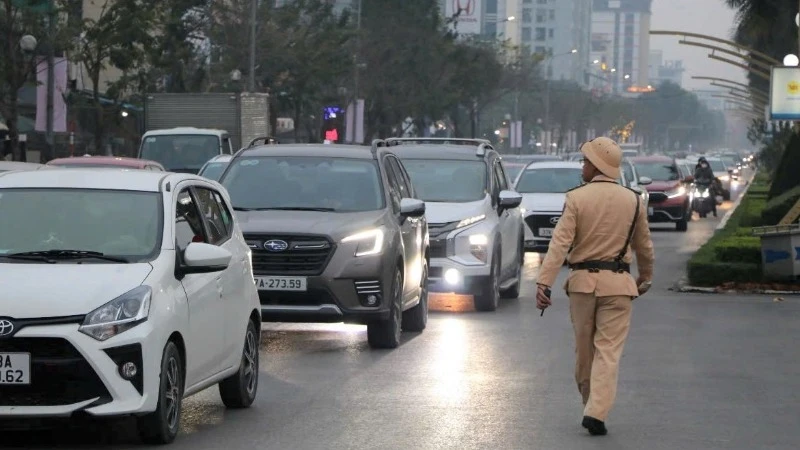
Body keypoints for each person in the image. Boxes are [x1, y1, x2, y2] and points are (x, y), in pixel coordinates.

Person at [535, 137, 655, 436]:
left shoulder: (576, 198)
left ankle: (593, 407)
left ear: (598, 164)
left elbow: (559, 244)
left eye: (586, 161)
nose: (583, 166)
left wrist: (544, 283)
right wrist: (645, 277)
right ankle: (595, 409)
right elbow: (644, 247)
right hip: (619, 285)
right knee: (608, 352)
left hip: (582, 286)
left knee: (584, 352)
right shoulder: (633, 199)